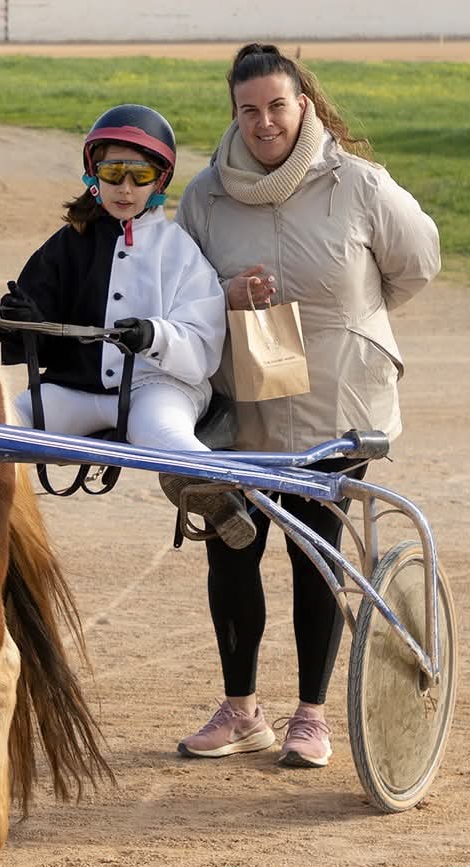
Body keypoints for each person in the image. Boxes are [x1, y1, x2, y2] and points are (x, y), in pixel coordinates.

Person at [173, 43, 440, 768]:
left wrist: (352, 322)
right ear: (234, 113)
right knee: (232, 549)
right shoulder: (204, 196)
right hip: (245, 405)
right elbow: (178, 293)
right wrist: (225, 298)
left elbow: (418, 261)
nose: (264, 123)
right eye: (248, 109)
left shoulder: (358, 184)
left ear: (305, 105)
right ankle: (241, 709)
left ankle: (312, 716)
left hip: (336, 400)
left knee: (313, 550)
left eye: (277, 106)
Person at [0, 104, 254, 548]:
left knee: (161, 431)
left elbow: (203, 349)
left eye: (140, 176)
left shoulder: (179, 252)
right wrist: (24, 323)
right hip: (77, 391)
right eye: (113, 173)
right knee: (0, 421)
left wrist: (154, 335)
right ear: (94, 174)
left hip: (157, 387)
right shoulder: (66, 246)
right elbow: (35, 330)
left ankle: (222, 499)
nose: (126, 189)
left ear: (161, 181)